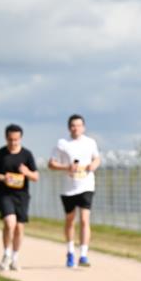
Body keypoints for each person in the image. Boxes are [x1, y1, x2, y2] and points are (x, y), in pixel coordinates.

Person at [47, 114, 100, 268]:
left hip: (86, 185)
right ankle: (70, 251)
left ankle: (83, 254)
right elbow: (51, 164)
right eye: (73, 125)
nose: (76, 128)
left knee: (84, 219)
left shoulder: (90, 142)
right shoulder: (63, 144)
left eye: (78, 125)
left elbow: (97, 158)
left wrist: (93, 166)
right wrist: (67, 167)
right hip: (69, 187)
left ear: (83, 127)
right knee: (70, 220)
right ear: (69, 127)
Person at [0, 124, 39, 271]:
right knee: (10, 223)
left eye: (16, 140)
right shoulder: (0, 154)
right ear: (6, 138)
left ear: (20, 138)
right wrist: (3, 177)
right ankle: (6, 254)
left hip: (22, 195)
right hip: (4, 193)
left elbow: (36, 177)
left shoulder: (27, 155)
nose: (13, 143)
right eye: (10, 139)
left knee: (19, 228)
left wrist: (27, 172)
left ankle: (15, 257)